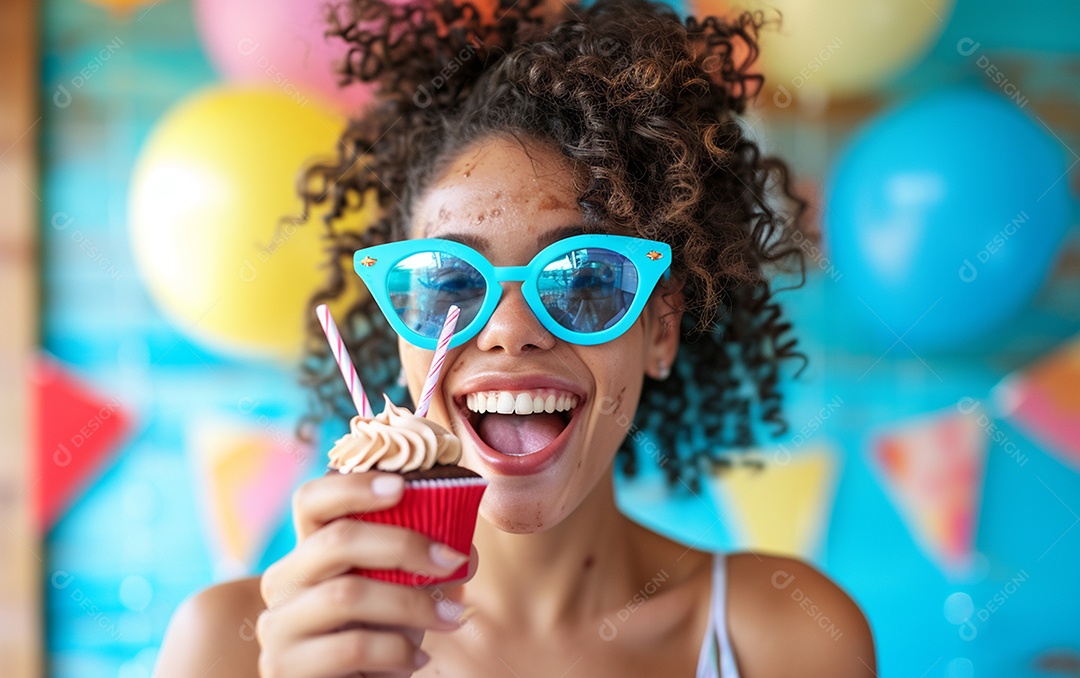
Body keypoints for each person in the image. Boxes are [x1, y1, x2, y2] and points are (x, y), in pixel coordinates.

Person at [157, 0, 876, 675]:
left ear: (660, 330)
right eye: (449, 279)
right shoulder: (230, 649)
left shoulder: (788, 639)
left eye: (586, 277)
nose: (508, 330)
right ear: (402, 329)